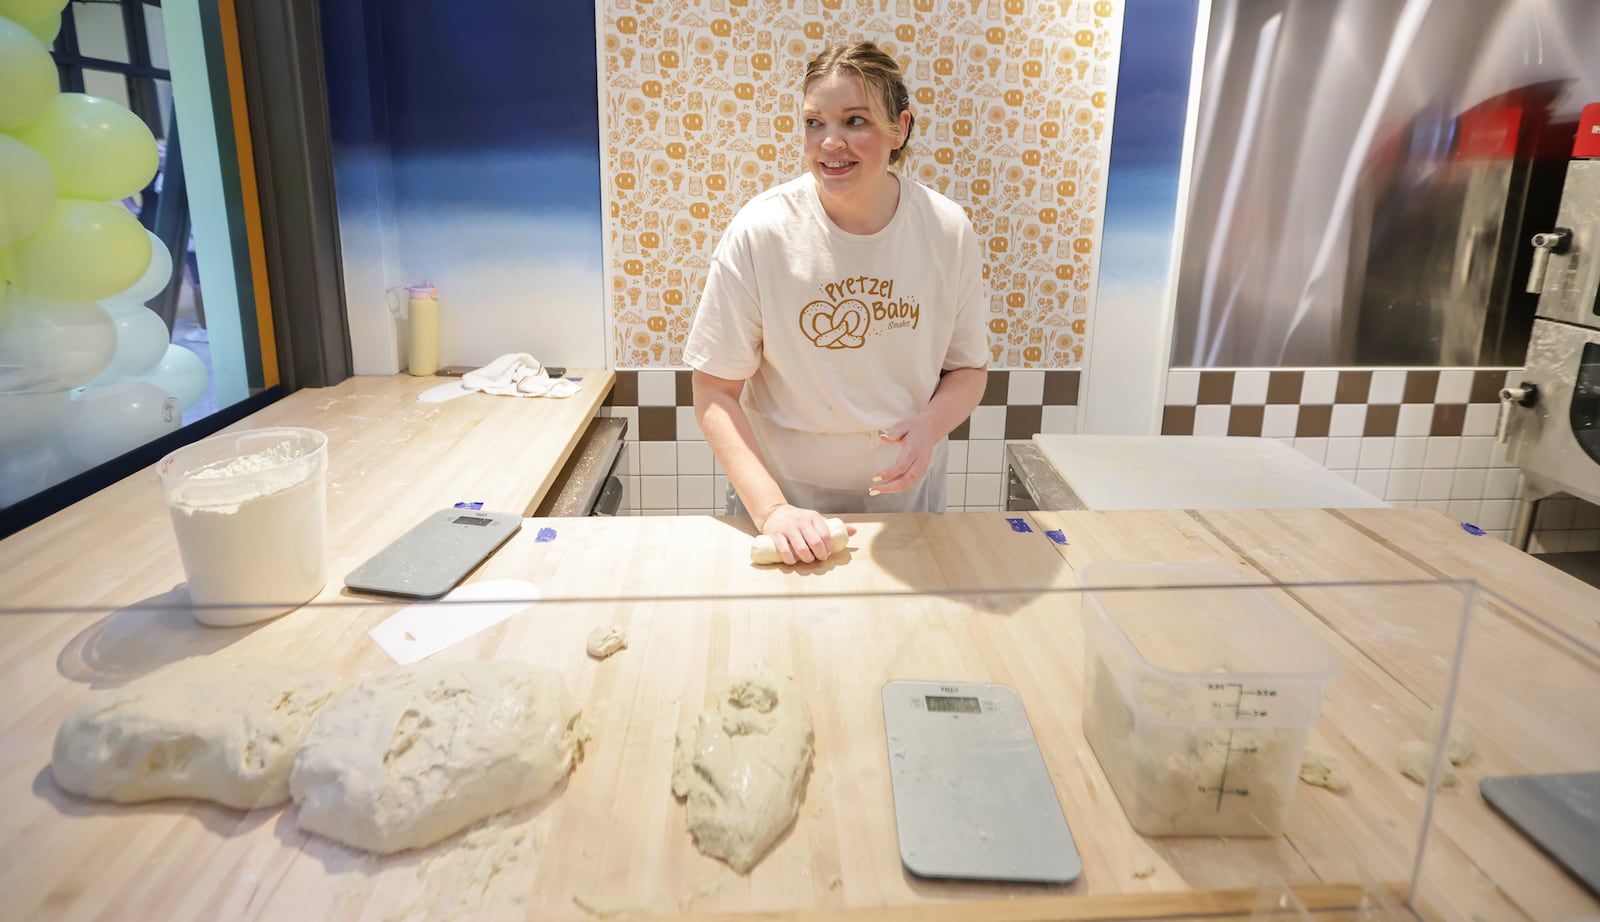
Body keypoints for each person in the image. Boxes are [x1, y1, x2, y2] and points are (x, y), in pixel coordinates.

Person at [684, 41, 989, 566]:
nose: (830, 143)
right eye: (813, 123)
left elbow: (968, 369)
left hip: (906, 501)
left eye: (854, 121)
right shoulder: (763, 231)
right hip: (782, 501)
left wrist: (930, 426)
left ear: (901, 129)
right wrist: (774, 510)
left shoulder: (946, 231)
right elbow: (713, 390)